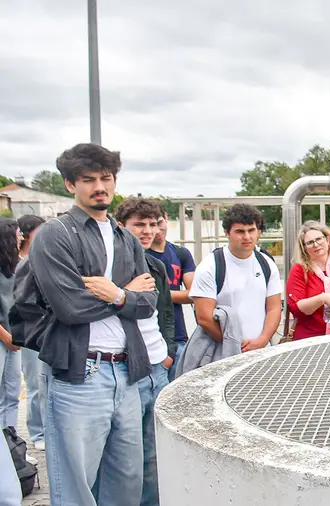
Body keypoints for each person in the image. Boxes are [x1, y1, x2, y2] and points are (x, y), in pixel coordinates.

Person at [28, 142, 158, 506]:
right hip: (79, 375)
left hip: (127, 373)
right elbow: (69, 306)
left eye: (106, 178)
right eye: (88, 180)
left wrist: (115, 294)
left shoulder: (126, 238)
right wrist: (126, 295)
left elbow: (148, 302)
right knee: (76, 486)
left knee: (126, 482)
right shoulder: (56, 235)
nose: (99, 186)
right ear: (70, 185)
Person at [114, 197, 177, 506]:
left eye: (153, 224)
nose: (148, 230)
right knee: (124, 458)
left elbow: (165, 311)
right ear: (121, 226)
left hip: (158, 367)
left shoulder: (157, 265)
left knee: (154, 452)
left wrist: (168, 350)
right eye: (139, 224)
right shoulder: (111, 263)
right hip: (127, 369)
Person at [189, 203, 282, 350]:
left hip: (261, 350)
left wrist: (263, 340)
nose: (247, 237)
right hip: (222, 352)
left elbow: (274, 308)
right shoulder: (210, 267)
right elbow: (204, 317)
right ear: (227, 233)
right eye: (240, 231)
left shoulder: (267, 264)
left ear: (258, 232)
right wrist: (233, 344)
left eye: (251, 230)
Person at [148, 211, 195, 381]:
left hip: (178, 336)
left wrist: (157, 293)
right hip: (149, 340)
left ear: (166, 218)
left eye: (158, 222)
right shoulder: (140, 256)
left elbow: (194, 293)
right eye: (149, 225)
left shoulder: (180, 253)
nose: (156, 229)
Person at [15, 215, 45, 450]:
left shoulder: (44, 258)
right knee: (33, 382)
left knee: (43, 381)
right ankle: (37, 432)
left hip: (45, 330)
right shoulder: (17, 261)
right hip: (27, 332)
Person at [0, 219, 21, 431]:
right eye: (17, 234)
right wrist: (6, 336)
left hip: (13, 340)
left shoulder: (14, 267)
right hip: (4, 338)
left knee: (12, 396)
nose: (21, 238)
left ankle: (12, 447)